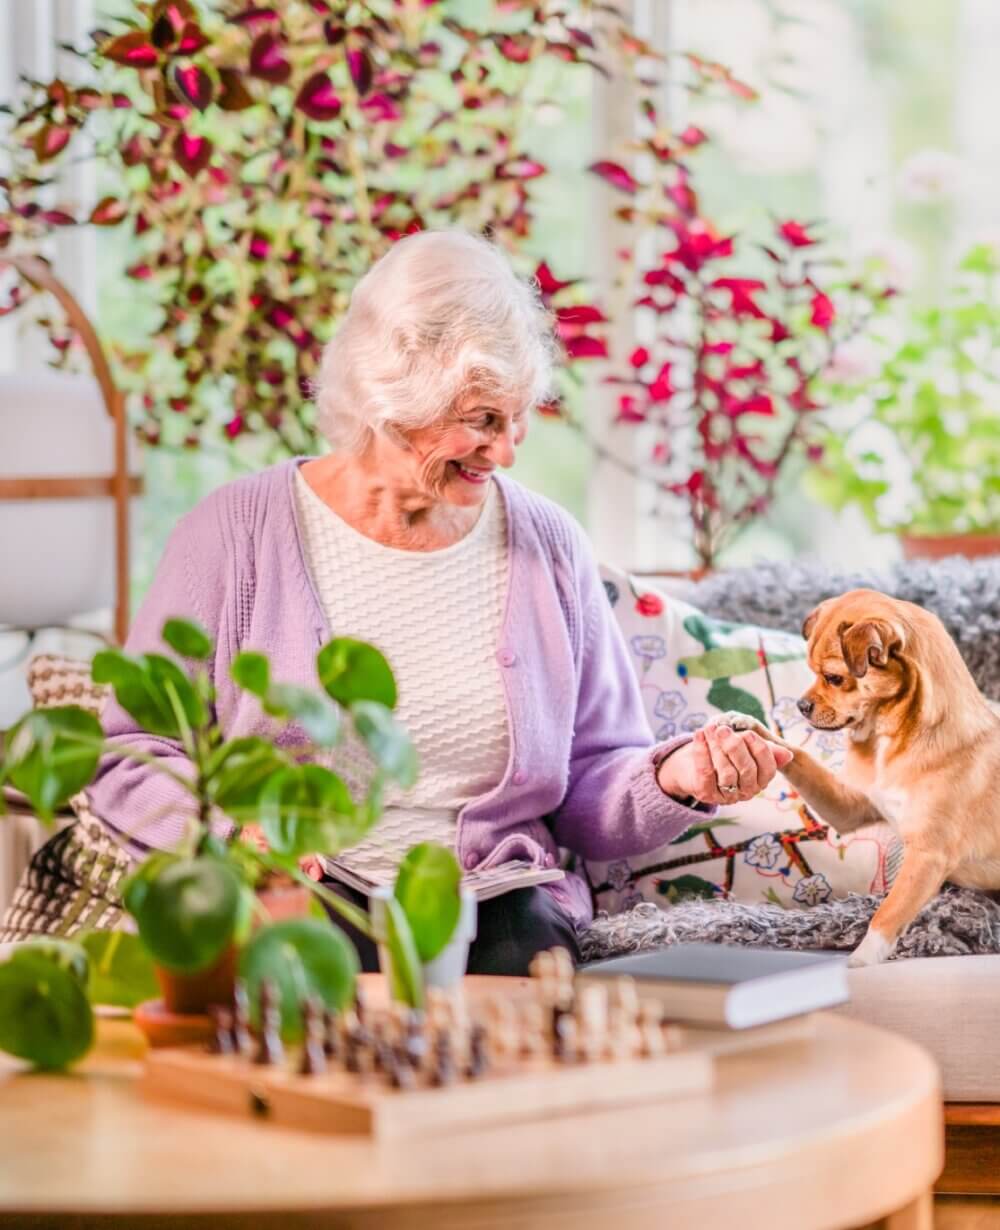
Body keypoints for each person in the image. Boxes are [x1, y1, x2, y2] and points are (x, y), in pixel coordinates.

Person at [1, 230, 791, 970]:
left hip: (493, 907)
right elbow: (129, 752)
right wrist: (227, 839)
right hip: (283, 895)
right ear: (391, 396)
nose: (507, 451)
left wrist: (677, 775)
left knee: (519, 1010)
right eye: (481, 420)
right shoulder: (234, 534)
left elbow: (593, 782)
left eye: (518, 420)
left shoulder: (548, 545)